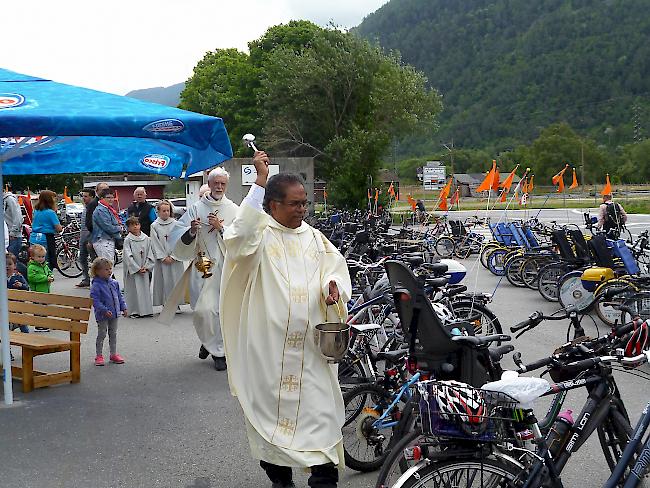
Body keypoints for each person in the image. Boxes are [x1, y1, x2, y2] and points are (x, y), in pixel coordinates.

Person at [221, 152, 352, 488]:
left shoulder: (313, 237)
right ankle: (281, 480)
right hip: (269, 354)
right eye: (295, 204)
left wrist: (331, 287)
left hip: (310, 354)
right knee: (270, 425)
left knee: (322, 420)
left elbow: (333, 270)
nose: (302, 210)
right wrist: (259, 182)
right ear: (273, 205)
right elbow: (236, 240)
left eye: (305, 203)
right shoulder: (258, 235)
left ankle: (324, 480)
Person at [167, 167, 238, 371]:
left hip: (225, 265)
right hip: (202, 263)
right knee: (202, 310)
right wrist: (191, 230)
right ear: (209, 181)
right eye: (216, 182)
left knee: (220, 309)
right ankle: (208, 341)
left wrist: (221, 228)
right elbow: (176, 235)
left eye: (223, 183)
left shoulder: (233, 209)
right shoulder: (196, 208)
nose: (219, 186)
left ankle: (219, 352)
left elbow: (243, 235)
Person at [89, 257, 127, 366]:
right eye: (106, 269)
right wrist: (104, 310)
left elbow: (120, 296)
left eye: (110, 268)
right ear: (97, 271)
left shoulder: (114, 283)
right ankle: (99, 355)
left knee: (113, 334)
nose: (109, 271)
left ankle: (113, 354)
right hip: (102, 315)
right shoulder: (96, 285)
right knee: (102, 334)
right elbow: (95, 301)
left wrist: (123, 307)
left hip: (114, 314)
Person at [150, 200, 185, 308]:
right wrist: (163, 257)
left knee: (176, 280)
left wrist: (174, 256)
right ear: (158, 212)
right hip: (163, 259)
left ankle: (176, 303)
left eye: (168, 210)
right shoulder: (154, 226)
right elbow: (154, 242)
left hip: (175, 258)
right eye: (163, 210)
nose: (166, 213)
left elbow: (180, 240)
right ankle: (166, 302)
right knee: (164, 281)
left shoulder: (176, 224)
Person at [123, 216, 154, 318]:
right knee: (134, 290)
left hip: (144, 268)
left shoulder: (146, 239)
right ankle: (134, 311)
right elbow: (128, 255)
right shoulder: (128, 240)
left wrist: (146, 266)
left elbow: (150, 253)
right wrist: (136, 268)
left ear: (140, 225)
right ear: (128, 228)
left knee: (144, 288)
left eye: (136, 224)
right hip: (134, 270)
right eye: (132, 225)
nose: (135, 227)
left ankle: (146, 310)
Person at [29, 190, 62, 271]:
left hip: (34, 237)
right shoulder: (50, 212)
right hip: (46, 238)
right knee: (46, 263)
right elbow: (58, 228)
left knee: (35, 261)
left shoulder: (36, 210)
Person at [91, 188, 123, 264]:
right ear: (102, 198)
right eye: (108, 197)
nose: (111, 199)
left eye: (112, 197)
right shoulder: (101, 210)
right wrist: (120, 228)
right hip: (102, 241)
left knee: (108, 266)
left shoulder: (108, 209)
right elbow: (107, 227)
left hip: (107, 240)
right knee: (106, 266)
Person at [27, 244, 54, 332]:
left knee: (44, 308)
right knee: (38, 309)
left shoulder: (45, 265)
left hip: (45, 291)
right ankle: (38, 325)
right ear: (33, 257)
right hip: (37, 292)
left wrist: (51, 276)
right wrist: (46, 278)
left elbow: (49, 271)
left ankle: (44, 323)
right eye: (39, 256)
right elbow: (32, 277)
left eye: (43, 256)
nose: (41, 258)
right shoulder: (32, 267)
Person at [76, 188, 96, 287]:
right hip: (83, 236)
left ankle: (95, 280)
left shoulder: (94, 208)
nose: (83, 198)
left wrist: (91, 239)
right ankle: (86, 279)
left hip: (90, 237)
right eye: (83, 196)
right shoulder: (85, 208)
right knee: (82, 258)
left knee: (94, 259)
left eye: (86, 196)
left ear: (92, 197)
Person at [6, 252, 30, 333]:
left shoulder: (18, 277)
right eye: (4, 264)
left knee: (23, 324)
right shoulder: (2, 278)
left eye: (9, 264)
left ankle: (27, 337)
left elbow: (27, 288)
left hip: (18, 306)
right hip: (6, 307)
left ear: (15, 266)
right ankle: (7, 343)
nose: (7, 266)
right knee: (6, 326)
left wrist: (21, 285)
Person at [3, 189, 23, 258]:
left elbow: (18, 217)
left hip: (13, 236)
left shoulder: (10, 199)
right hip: (6, 235)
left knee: (12, 261)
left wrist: (13, 233)